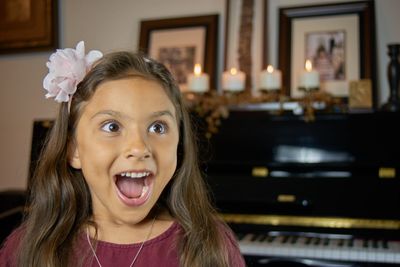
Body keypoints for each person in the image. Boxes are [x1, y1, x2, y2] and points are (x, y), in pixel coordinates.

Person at [0, 41, 246, 267]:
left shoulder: (211, 247)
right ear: (73, 150)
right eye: (112, 126)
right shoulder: (27, 249)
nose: (139, 148)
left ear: (178, 146)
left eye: (157, 127)